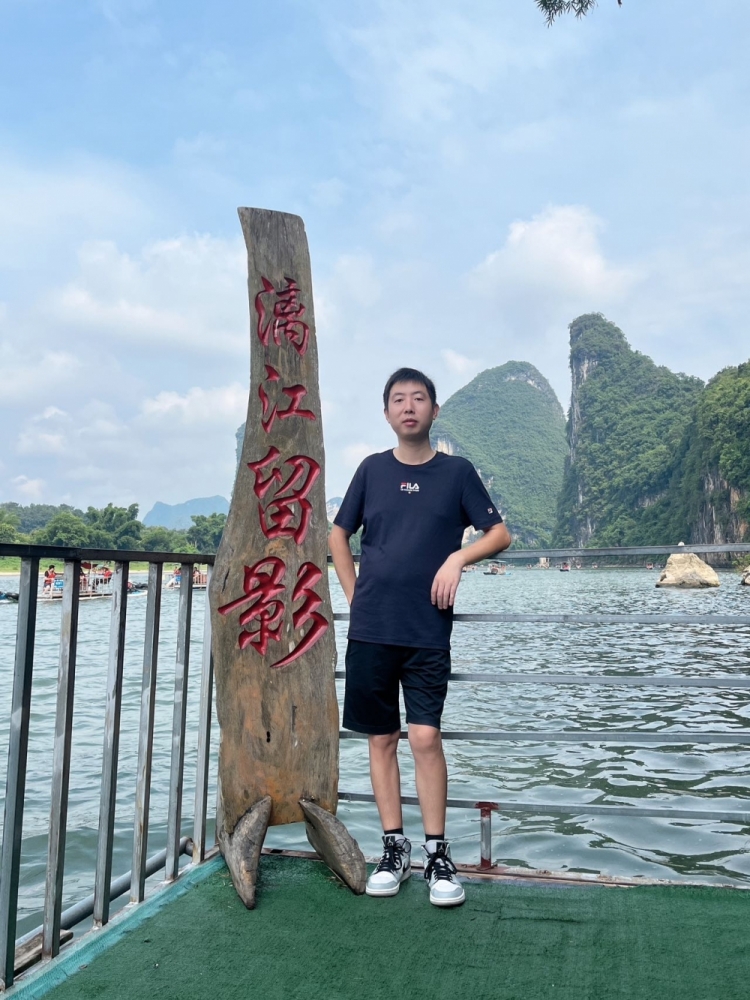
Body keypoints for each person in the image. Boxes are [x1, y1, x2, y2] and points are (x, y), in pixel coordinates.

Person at [329, 367, 511, 907]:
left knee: (425, 737)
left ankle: (437, 854)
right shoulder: (371, 469)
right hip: (372, 629)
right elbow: (338, 534)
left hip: (427, 629)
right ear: (387, 412)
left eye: (418, 398)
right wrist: (354, 595)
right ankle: (393, 849)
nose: (408, 407)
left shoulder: (456, 472)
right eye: (398, 399)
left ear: (434, 409)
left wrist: (457, 558)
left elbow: (499, 533)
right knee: (381, 739)